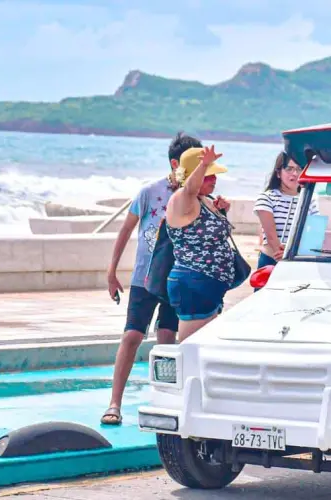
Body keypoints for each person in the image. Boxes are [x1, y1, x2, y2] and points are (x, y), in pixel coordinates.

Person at [101, 132, 200, 426]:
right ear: (175, 163)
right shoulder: (149, 192)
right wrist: (112, 270)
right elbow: (126, 230)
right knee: (132, 335)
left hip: (175, 279)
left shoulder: (196, 196)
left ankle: (167, 401)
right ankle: (114, 402)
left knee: (168, 338)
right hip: (145, 279)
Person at [164, 144, 234, 342]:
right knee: (190, 347)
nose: (214, 179)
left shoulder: (204, 200)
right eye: (208, 175)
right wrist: (203, 165)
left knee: (205, 346)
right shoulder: (183, 198)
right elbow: (188, 188)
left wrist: (223, 212)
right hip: (194, 283)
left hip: (208, 285)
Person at [253, 152, 319, 275]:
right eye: (289, 169)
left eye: (299, 169)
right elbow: (271, 235)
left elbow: (314, 234)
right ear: (278, 173)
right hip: (270, 261)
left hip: (299, 261)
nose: (295, 173)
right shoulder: (266, 198)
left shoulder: (310, 200)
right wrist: (283, 254)